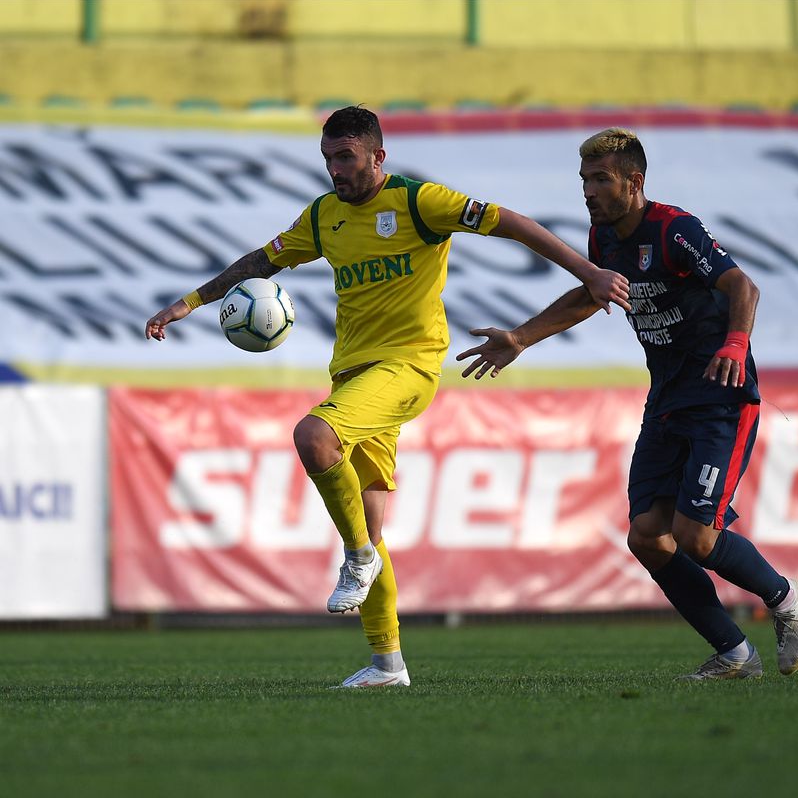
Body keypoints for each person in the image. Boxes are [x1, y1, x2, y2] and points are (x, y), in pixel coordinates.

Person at [145, 106, 630, 689]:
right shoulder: (325, 217)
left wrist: (590, 272)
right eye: (327, 159)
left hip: (409, 366)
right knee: (370, 524)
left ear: (379, 156)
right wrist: (189, 303)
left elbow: (512, 223)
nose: (335, 170)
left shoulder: (419, 202)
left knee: (314, 436)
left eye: (345, 157)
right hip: (352, 375)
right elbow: (259, 260)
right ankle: (387, 664)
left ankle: (355, 560)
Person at [456, 127, 798, 680]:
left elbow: (743, 287)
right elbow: (589, 293)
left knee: (697, 537)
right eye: (584, 180)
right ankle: (735, 654)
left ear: (634, 181)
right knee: (647, 536)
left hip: (719, 394)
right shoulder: (605, 242)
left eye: (600, 179)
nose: (588, 191)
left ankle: (787, 598)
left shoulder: (674, 229)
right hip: (667, 399)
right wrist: (522, 338)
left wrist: (735, 343)